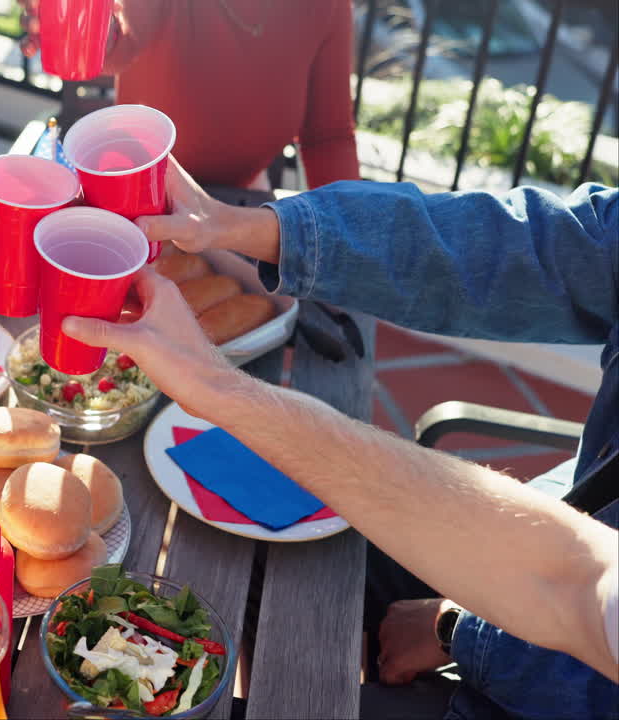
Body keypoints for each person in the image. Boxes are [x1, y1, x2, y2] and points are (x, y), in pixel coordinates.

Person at [64, 160, 618, 718]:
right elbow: (535, 245)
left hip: (537, 690)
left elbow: (580, 592)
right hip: (547, 534)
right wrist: (241, 226)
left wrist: (457, 630)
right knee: (267, 549)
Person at [20, 0, 360, 190]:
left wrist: (351, 243)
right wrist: (81, 24)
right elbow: (120, 40)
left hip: (238, 209)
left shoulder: (327, 6)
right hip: (135, 194)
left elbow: (328, 139)